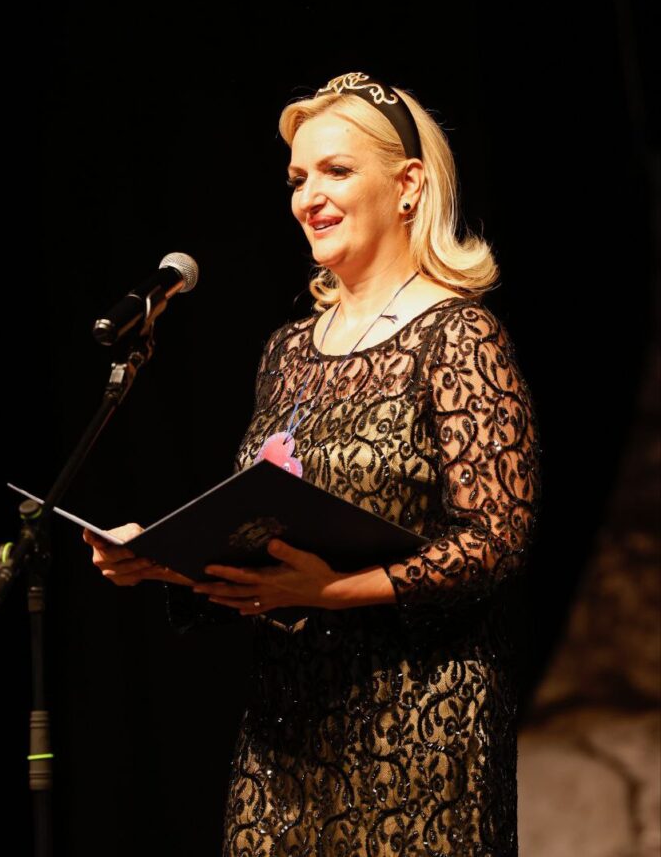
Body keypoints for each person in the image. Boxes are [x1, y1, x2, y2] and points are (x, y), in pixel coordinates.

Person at [84, 72, 542, 856]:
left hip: (418, 734)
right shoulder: (289, 350)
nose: (309, 197)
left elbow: (495, 541)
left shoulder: (458, 336)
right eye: (298, 178)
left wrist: (331, 591)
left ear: (408, 185)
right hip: (286, 737)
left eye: (335, 170)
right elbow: (267, 538)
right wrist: (161, 556)